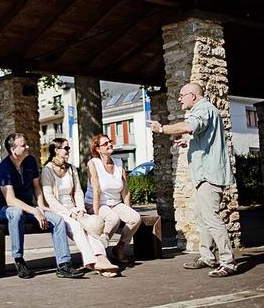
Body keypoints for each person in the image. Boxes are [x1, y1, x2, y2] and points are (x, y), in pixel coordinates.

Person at [148, 82, 237, 277]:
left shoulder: (203, 109)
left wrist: (162, 129)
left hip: (209, 175)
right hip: (204, 175)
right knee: (202, 217)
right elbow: (203, 136)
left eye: (182, 95)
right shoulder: (206, 110)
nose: (179, 99)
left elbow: (190, 126)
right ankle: (207, 257)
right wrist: (189, 141)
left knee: (211, 218)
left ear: (193, 96)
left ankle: (228, 261)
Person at [0, 132, 84, 279]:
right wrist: (35, 211)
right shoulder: (4, 168)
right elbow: (10, 200)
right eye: (23, 145)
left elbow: (36, 187)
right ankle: (19, 260)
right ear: (12, 149)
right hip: (6, 210)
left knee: (58, 220)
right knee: (16, 212)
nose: (28, 147)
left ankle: (64, 265)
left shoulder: (30, 161)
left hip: (30, 208)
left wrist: (41, 205)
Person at [41, 138, 119, 276]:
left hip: (74, 208)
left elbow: (78, 191)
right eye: (65, 148)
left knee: (92, 226)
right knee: (77, 227)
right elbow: (50, 198)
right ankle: (92, 263)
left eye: (68, 148)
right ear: (56, 150)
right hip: (58, 211)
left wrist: (81, 209)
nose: (68, 151)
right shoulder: (47, 170)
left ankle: (102, 258)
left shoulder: (71, 168)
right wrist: (69, 214)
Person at [85, 134, 141, 264]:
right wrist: (96, 213)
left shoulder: (119, 163)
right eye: (105, 144)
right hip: (98, 203)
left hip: (115, 203)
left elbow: (125, 190)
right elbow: (97, 191)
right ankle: (101, 252)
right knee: (113, 219)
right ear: (98, 149)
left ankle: (119, 248)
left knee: (135, 218)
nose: (110, 144)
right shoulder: (93, 163)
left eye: (110, 142)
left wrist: (127, 209)